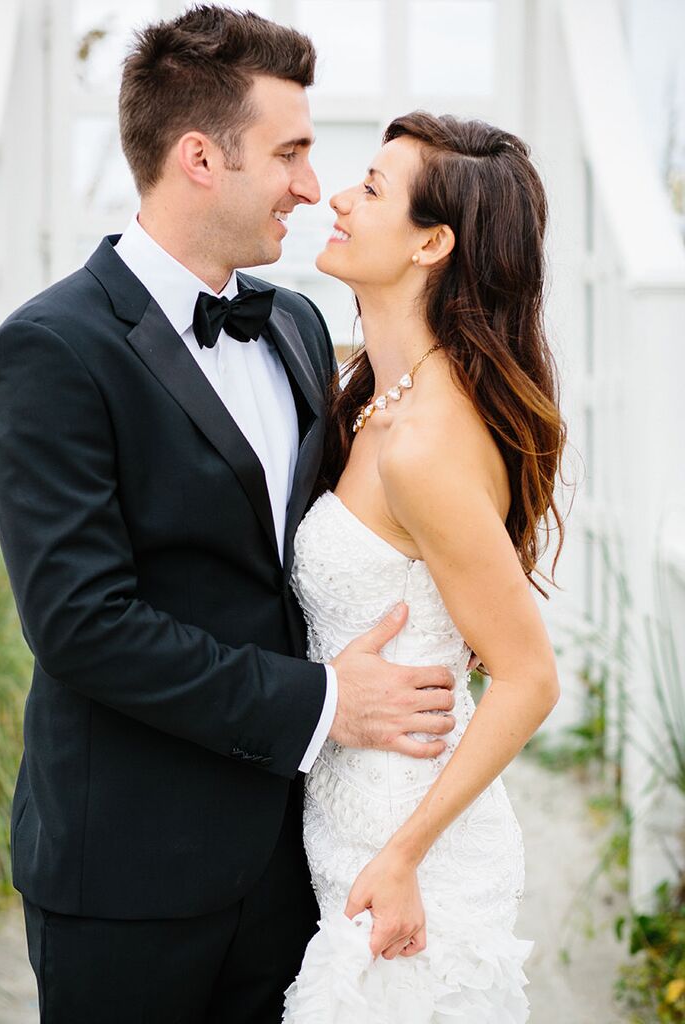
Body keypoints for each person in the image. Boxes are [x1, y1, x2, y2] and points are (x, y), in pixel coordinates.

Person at [0, 9, 460, 1023]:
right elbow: (80, 625)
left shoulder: (294, 322)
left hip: (296, 863)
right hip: (127, 877)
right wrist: (324, 703)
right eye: (289, 151)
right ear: (200, 157)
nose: (309, 184)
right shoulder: (49, 351)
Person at [283, 112, 566, 1022]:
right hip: (350, 820)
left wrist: (404, 855)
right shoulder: (375, 397)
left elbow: (527, 677)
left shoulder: (424, 445)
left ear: (432, 243)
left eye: (370, 188)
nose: (337, 195)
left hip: (413, 859)